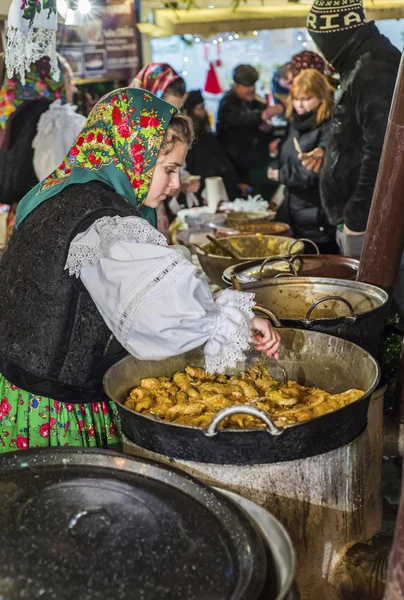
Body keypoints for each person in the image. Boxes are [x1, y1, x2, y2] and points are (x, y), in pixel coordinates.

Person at [0, 87, 280, 453]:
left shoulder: (64, 191)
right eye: (168, 169)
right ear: (134, 156)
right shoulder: (101, 224)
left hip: (20, 384)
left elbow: (141, 284)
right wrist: (231, 320)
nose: (176, 183)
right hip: (57, 408)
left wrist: (227, 313)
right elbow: (162, 310)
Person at [302, 0, 400, 257]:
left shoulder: (373, 67)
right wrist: (330, 156)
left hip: (370, 222)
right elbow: (361, 133)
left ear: (330, 36)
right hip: (362, 218)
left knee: (380, 295)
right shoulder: (359, 59)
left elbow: (384, 149)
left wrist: (358, 215)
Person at [268, 69, 338, 254]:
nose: (299, 104)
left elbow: (315, 172)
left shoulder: (328, 127)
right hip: (294, 215)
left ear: (321, 98)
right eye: (297, 98)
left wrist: (280, 174)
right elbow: (284, 153)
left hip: (318, 218)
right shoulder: (294, 123)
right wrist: (275, 166)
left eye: (306, 99)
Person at [216, 64, 283, 199]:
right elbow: (238, 119)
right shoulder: (227, 103)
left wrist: (267, 128)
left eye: (253, 85)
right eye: (247, 86)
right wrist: (263, 115)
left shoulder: (257, 102)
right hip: (236, 168)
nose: (251, 89)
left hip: (257, 165)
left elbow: (264, 128)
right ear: (236, 85)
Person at [177, 89, 239, 207]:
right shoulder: (186, 141)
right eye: (200, 108)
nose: (204, 112)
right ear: (190, 112)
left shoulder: (207, 136)